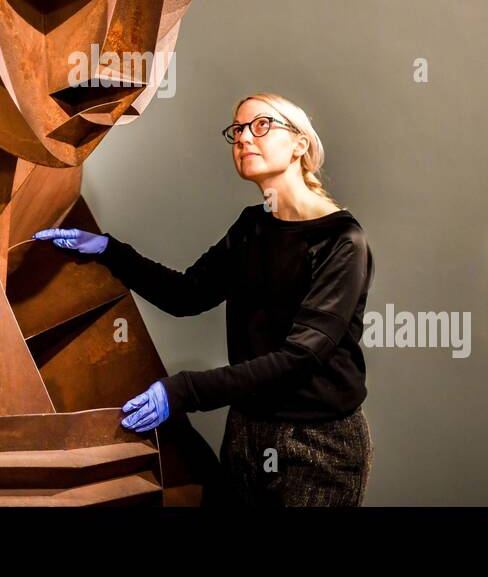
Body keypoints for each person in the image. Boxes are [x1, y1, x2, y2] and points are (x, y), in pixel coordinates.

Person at [34, 92, 375, 506]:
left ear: (299, 144)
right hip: (246, 431)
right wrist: (109, 250)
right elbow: (186, 295)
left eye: (261, 125)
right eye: (238, 130)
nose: (244, 138)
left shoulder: (342, 241)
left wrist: (183, 391)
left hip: (316, 447)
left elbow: (299, 357)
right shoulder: (252, 226)